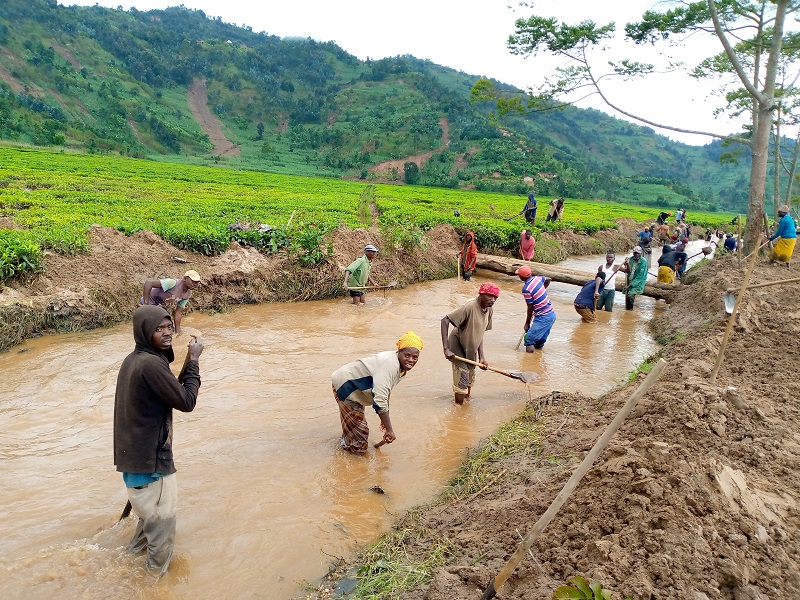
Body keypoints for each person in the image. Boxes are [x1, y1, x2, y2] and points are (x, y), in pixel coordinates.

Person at [114, 305, 203, 577]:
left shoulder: (134, 360)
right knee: (161, 537)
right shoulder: (151, 364)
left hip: (134, 463)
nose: (167, 333)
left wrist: (187, 358)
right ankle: (153, 586)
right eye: (158, 329)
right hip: (152, 465)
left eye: (168, 327)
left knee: (146, 524)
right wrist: (196, 361)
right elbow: (186, 401)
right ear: (144, 332)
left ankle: (128, 566)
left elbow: (171, 391)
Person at [331, 331, 423, 454]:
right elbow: (380, 399)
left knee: (355, 427)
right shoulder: (390, 366)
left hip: (355, 387)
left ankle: (347, 443)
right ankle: (355, 462)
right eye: (407, 355)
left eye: (415, 357)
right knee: (360, 438)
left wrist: (384, 422)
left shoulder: (399, 366)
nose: (411, 360)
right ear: (399, 352)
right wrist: (389, 430)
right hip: (346, 387)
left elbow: (385, 392)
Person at [440, 283, 497, 404]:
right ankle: (459, 411)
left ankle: (466, 404)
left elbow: (480, 333)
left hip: (470, 348)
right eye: (489, 296)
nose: (492, 299)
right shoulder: (469, 307)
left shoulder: (489, 310)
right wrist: (446, 348)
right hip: (458, 345)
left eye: (495, 297)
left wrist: (482, 357)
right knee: (463, 380)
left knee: (470, 379)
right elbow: (445, 320)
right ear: (481, 294)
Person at [142, 270, 201, 335]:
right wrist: (146, 304)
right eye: (193, 281)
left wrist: (177, 332)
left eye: (197, 282)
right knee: (159, 327)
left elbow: (178, 312)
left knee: (170, 329)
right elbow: (148, 283)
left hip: (160, 306)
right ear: (185, 279)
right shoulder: (172, 283)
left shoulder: (188, 294)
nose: (195, 284)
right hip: (150, 301)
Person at [516, 265, 556, 353]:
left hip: (543, 317)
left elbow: (530, 308)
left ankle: (528, 364)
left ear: (521, 277)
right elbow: (548, 279)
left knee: (529, 338)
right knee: (539, 341)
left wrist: (527, 324)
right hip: (551, 315)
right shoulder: (537, 279)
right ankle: (537, 362)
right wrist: (543, 289)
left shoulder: (526, 289)